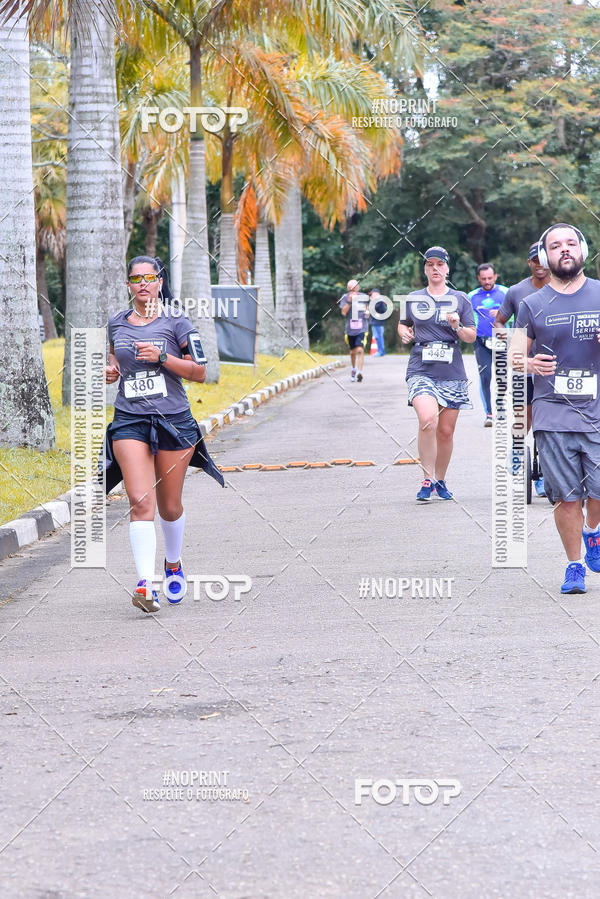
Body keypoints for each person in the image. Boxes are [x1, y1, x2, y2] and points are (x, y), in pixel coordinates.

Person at [103, 255, 223, 614]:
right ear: (129, 285)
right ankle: (144, 583)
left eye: (149, 277)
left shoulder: (178, 321)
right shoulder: (116, 322)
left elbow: (200, 372)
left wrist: (162, 357)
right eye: (135, 278)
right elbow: (114, 359)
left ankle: (173, 563)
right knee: (141, 502)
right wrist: (110, 370)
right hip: (129, 420)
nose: (142, 283)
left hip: (173, 420)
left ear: (159, 282)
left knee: (169, 507)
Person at [512, 224, 600, 594]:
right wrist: (530, 364)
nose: (563, 250)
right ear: (545, 257)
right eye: (554, 245)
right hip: (552, 412)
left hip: (597, 411)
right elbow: (514, 357)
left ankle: (592, 532)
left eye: (569, 243)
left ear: (581, 249)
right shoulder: (532, 304)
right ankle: (574, 565)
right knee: (567, 496)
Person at [398, 247, 477, 502]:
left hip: (451, 370)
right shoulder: (413, 298)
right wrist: (403, 333)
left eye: (439, 264)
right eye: (430, 264)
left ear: (447, 269)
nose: (435, 268)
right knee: (427, 419)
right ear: (425, 269)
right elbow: (403, 323)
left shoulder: (461, 299)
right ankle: (426, 477)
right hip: (421, 368)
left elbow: (471, 336)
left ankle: (440, 479)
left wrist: (457, 326)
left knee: (445, 431)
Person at [495, 243, 550, 494]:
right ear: (529, 262)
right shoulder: (517, 291)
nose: (539, 264)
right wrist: (510, 340)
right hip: (525, 366)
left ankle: (545, 472)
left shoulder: (562, 288)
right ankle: (518, 450)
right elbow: (499, 321)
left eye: (543, 259)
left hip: (554, 366)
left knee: (550, 421)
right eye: (534, 260)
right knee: (524, 417)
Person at [467, 263, 507, 426]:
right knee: (485, 376)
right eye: (483, 279)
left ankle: (500, 405)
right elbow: (467, 318)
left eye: (490, 278)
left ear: (495, 277)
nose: (487, 281)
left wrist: (503, 315)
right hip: (481, 342)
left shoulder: (506, 292)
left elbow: (518, 314)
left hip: (502, 340)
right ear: (478, 278)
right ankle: (489, 413)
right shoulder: (471, 296)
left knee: (502, 377)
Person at [339, 279, 369, 381]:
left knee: (360, 350)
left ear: (357, 288)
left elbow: (367, 308)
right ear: (348, 289)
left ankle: (359, 373)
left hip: (362, 328)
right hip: (350, 329)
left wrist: (368, 312)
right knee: (352, 352)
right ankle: (354, 369)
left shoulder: (363, 297)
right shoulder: (345, 297)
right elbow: (343, 312)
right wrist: (349, 301)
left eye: (354, 288)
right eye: (350, 289)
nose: (353, 290)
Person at [369, 289, 387, 356]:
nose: (371, 295)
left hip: (377, 322)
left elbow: (373, 309)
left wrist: (372, 300)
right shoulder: (379, 301)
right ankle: (381, 351)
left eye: (372, 294)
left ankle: (380, 351)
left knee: (378, 337)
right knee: (378, 337)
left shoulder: (378, 301)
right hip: (376, 322)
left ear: (376, 293)